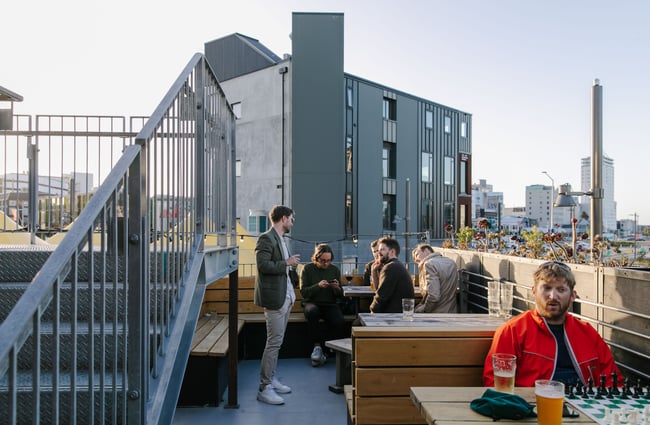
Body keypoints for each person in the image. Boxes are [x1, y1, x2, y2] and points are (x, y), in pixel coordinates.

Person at [483, 261, 621, 388]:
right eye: (546, 288)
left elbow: (613, 379)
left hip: (585, 405)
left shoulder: (587, 333)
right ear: (534, 291)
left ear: (573, 296)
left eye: (561, 290)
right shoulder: (513, 330)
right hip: (534, 406)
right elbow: (494, 382)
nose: (553, 296)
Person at [254, 205, 301, 405]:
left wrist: (290, 268)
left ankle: (271, 379)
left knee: (277, 341)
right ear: (283, 218)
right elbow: (263, 266)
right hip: (275, 299)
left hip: (285, 297)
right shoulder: (266, 238)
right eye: (291, 219)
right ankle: (264, 388)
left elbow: (282, 267)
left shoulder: (280, 239)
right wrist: (287, 263)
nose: (292, 222)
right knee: (273, 343)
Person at [299, 243, 345, 367]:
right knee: (311, 312)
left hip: (329, 303)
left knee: (339, 320)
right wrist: (318, 286)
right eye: (323, 261)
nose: (326, 264)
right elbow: (304, 292)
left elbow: (339, 294)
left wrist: (336, 288)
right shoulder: (307, 269)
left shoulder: (334, 270)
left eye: (328, 261)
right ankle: (317, 346)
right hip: (311, 302)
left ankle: (326, 349)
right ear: (316, 258)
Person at [369, 237, 415, 313]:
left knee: (356, 323)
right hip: (398, 313)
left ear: (392, 252)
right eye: (378, 250)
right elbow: (380, 289)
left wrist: (372, 311)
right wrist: (374, 271)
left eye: (382, 250)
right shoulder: (396, 265)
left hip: (393, 316)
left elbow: (381, 297)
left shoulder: (390, 267)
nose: (378, 253)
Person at [411, 244, 458, 313]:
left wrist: (423, 310)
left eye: (417, 255)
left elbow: (433, 296)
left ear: (426, 251)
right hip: (452, 311)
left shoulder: (429, 264)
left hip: (436, 313)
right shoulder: (451, 262)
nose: (416, 259)